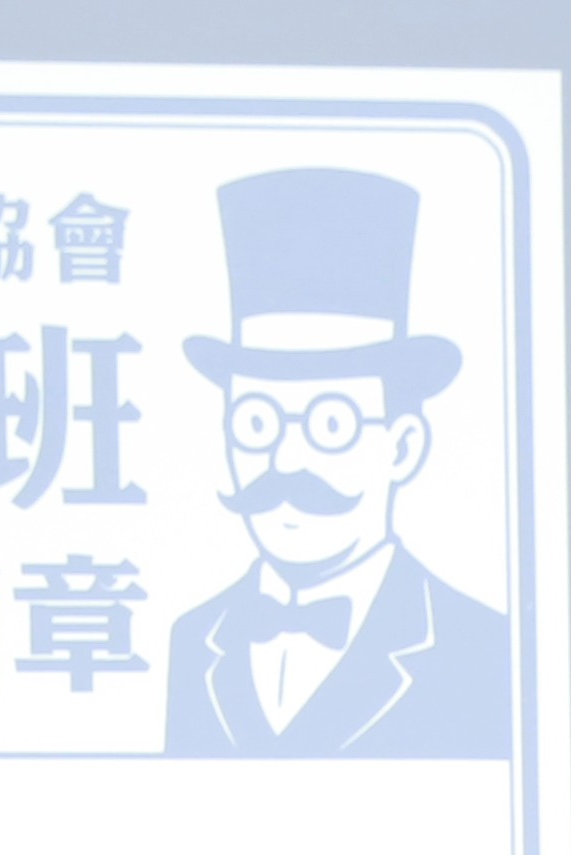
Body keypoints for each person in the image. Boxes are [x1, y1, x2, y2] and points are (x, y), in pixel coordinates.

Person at [163, 168, 515, 760]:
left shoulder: (481, 645)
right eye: (256, 423)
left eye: (331, 425)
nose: (285, 459)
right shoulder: (196, 640)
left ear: (403, 447)